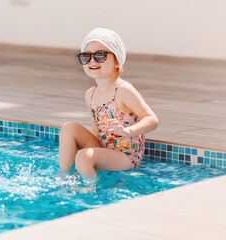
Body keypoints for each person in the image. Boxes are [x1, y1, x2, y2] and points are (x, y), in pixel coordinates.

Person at [59, 27, 159, 177]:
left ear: (117, 61)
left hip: (125, 156)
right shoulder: (90, 95)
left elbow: (152, 119)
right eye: (86, 56)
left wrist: (128, 131)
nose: (92, 60)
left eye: (100, 55)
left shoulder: (123, 91)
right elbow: (97, 129)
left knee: (83, 156)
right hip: (104, 148)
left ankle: (90, 191)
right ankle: (64, 176)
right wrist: (94, 152)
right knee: (68, 128)